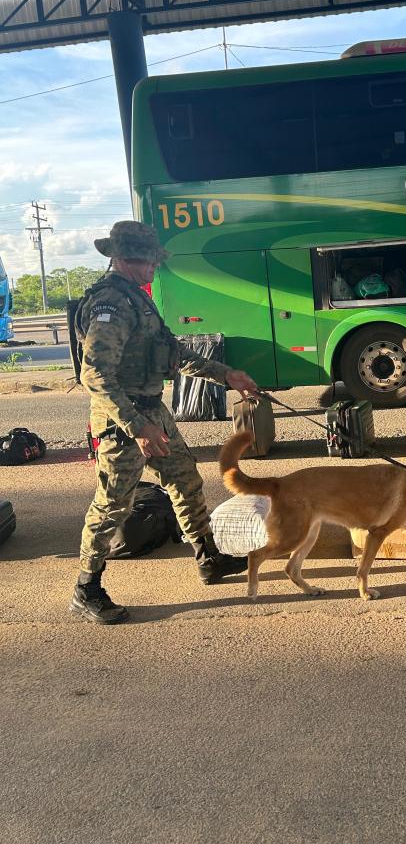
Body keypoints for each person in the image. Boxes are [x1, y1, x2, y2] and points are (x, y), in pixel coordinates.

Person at [72, 220, 258, 625]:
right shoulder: (110, 305)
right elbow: (96, 376)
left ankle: (208, 557)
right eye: (147, 260)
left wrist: (227, 375)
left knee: (185, 477)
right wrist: (138, 427)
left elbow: (172, 352)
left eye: (155, 259)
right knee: (112, 504)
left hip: (152, 409)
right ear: (121, 259)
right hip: (122, 419)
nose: (154, 266)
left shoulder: (138, 299)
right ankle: (86, 587)